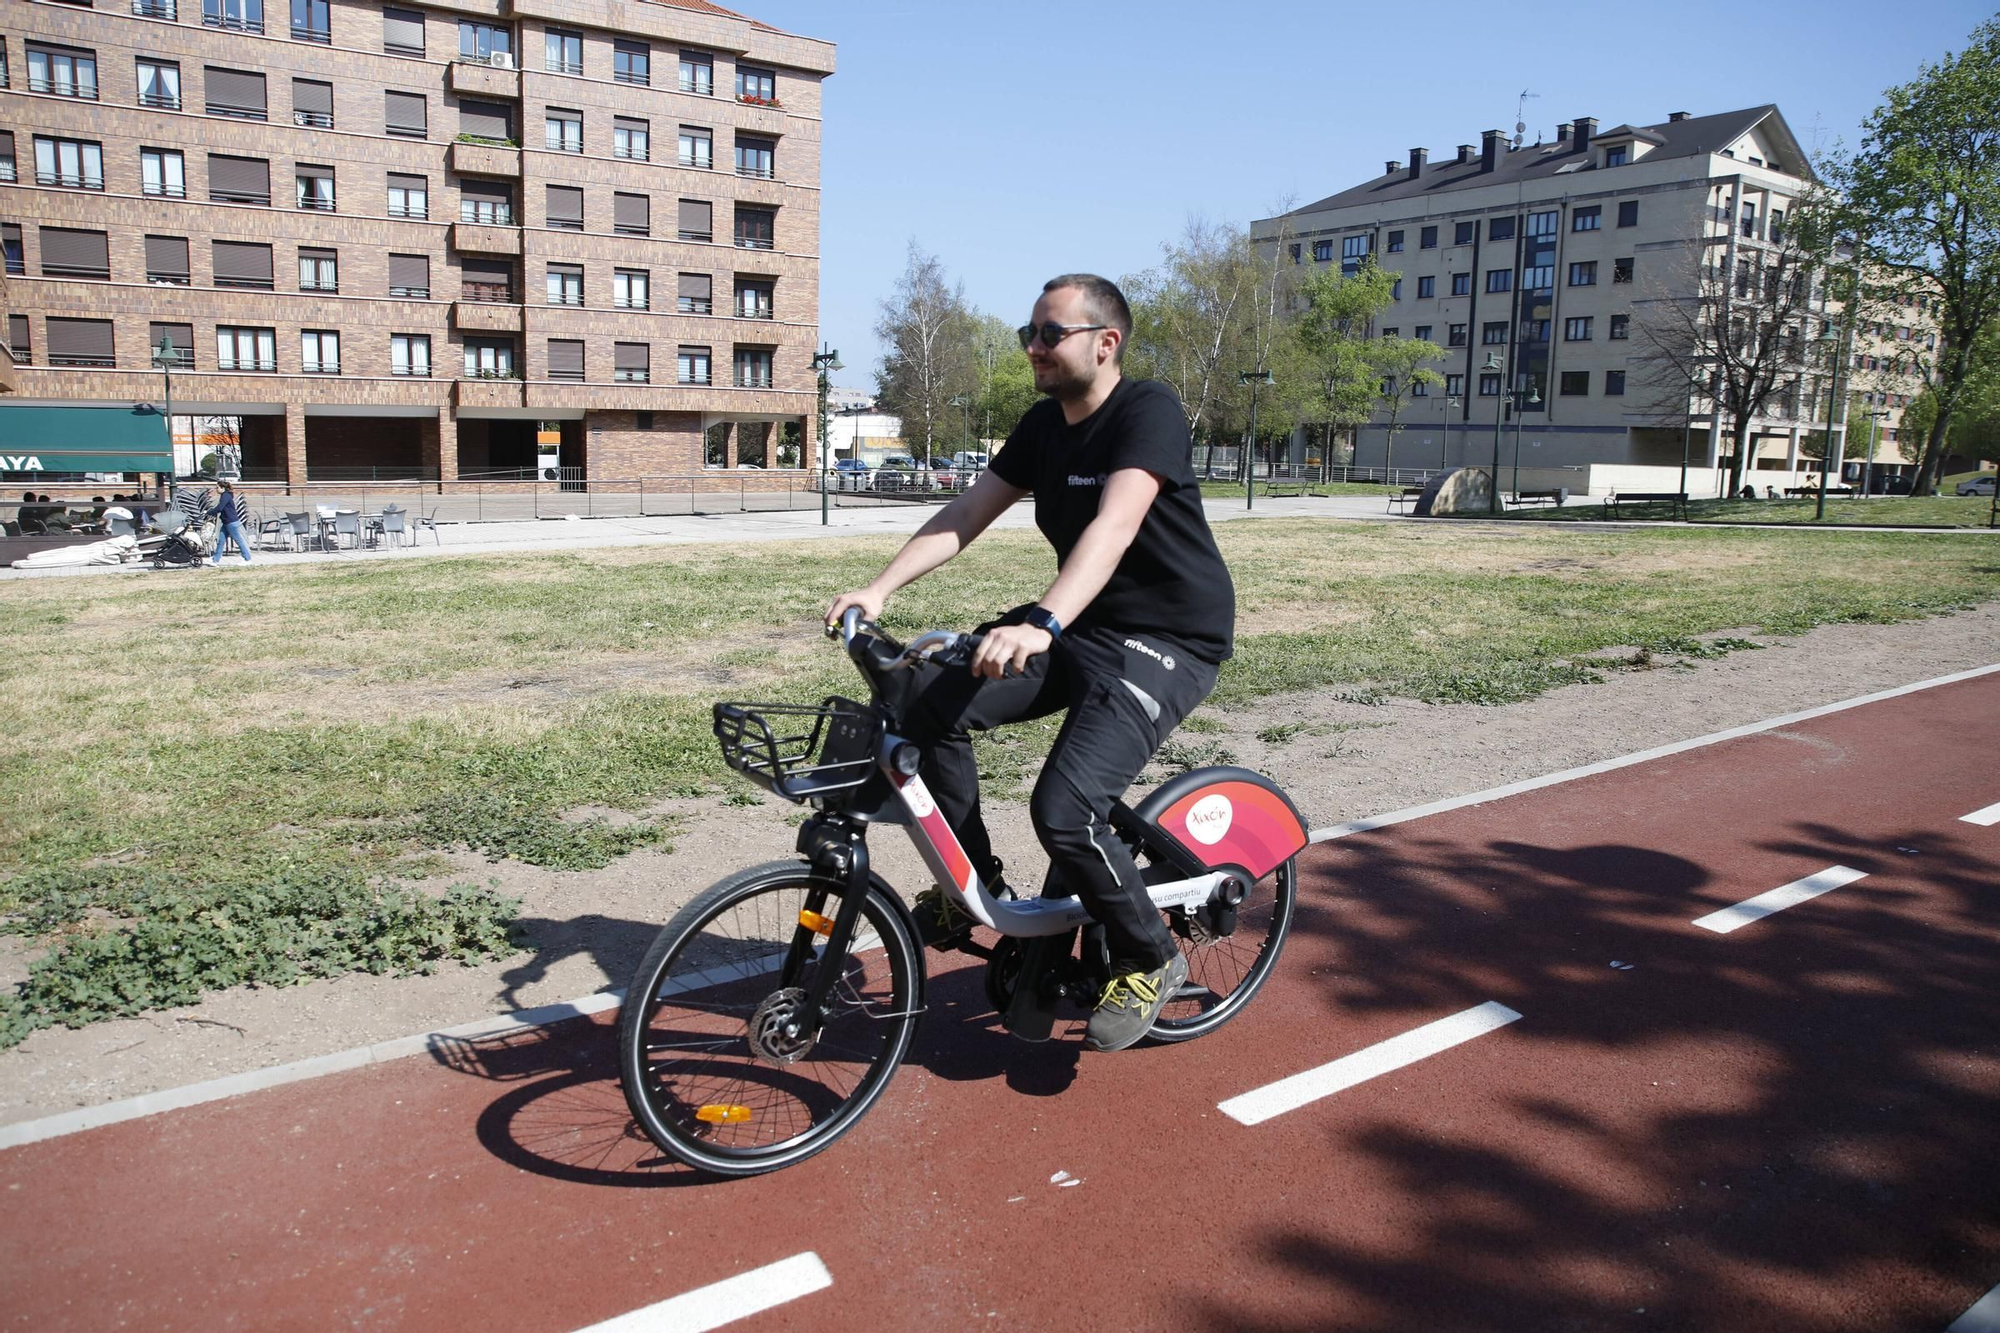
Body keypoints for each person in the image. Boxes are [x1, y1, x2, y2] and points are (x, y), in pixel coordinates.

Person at [826, 273, 1235, 1053]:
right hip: (1082, 624)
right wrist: (878, 588)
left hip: (1167, 638)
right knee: (922, 702)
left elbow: (1114, 526)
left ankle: (1153, 954)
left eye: (1051, 334)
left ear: (1104, 343)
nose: (1034, 347)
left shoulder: (1147, 410)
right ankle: (971, 884)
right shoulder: (1044, 424)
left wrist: (1043, 620)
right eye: (1031, 333)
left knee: (1064, 808)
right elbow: (966, 511)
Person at [209, 478, 252, 565]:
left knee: (239, 540)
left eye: (217, 487)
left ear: (222, 488)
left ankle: (247, 559)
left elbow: (220, 507)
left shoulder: (225, 496)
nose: (216, 489)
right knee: (221, 541)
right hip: (226, 522)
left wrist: (209, 512)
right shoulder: (225, 495)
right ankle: (215, 560)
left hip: (231, 522)